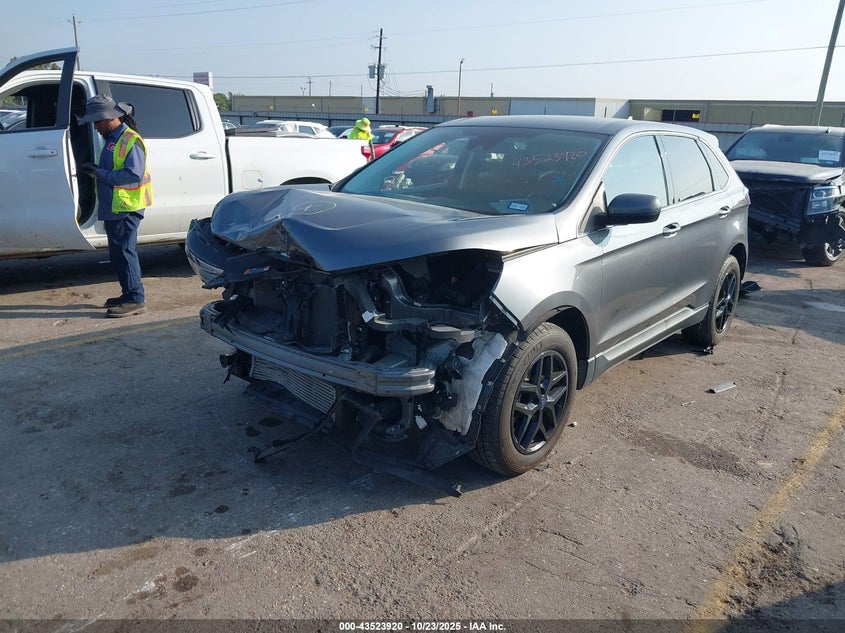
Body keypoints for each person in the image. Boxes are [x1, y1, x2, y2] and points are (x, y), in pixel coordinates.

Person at [77, 95, 153, 318]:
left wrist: (99, 173)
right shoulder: (114, 138)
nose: (95, 126)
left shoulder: (129, 139)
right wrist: (97, 170)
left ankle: (135, 299)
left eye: (97, 121)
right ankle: (129, 294)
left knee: (124, 253)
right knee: (119, 254)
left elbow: (133, 174)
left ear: (110, 118)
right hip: (116, 207)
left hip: (125, 207)